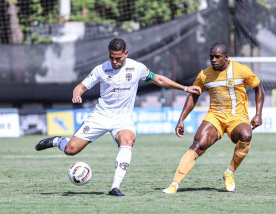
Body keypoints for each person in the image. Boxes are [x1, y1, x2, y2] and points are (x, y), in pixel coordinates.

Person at [35, 38, 201, 196]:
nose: (114, 62)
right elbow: (81, 86)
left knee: (128, 140)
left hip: (123, 120)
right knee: (71, 150)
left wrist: (185, 88)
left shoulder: (137, 68)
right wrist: (77, 94)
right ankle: (57, 141)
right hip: (100, 116)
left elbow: (158, 79)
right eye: (112, 58)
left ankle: (115, 186)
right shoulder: (101, 69)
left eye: (118, 58)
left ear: (126, 53)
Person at [163, 42, 264, 194]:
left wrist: (258, 114)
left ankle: (230, 172)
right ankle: (174, 184)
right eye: (211, 57)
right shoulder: (204, 75)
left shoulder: (241, 70)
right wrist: (181, 119)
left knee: (246, 134)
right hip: (215, 116)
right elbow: (193, 95)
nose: (214, 60)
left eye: (217, 57)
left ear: (226, 57)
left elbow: (258, 88)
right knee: (198, 144)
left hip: (237, 117)